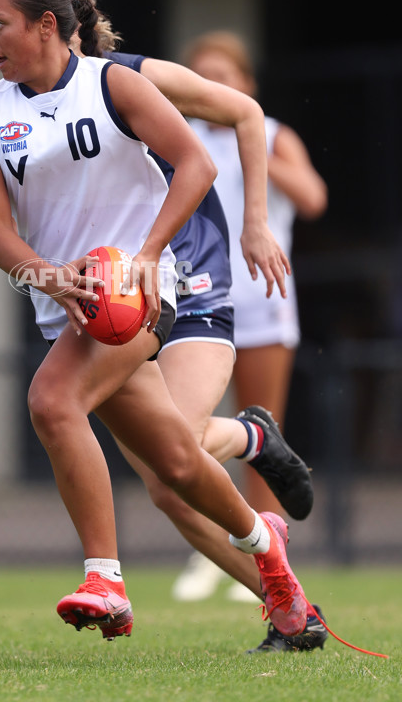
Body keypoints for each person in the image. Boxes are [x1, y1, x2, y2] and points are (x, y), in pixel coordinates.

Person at [0, 0, 311, 646]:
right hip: (75, 306)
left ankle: (105, 580)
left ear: (50, 20)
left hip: (151, 289)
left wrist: (164, 250)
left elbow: (204, 159)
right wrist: (44, 274)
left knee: (53, 402)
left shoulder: (119, 79)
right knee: (175, 467)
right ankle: (268, 554)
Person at [171, 32, 329, 610]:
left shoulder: (271, 135)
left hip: (261, 300)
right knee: (185, 425)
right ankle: (215, 545)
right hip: (194, 299)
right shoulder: (176, 139)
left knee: (263, 427)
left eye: (225, 76)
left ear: (247, 85)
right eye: (203, 76)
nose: (214, 86)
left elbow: (313, 197)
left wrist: (249, 144)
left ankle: (270, 547)